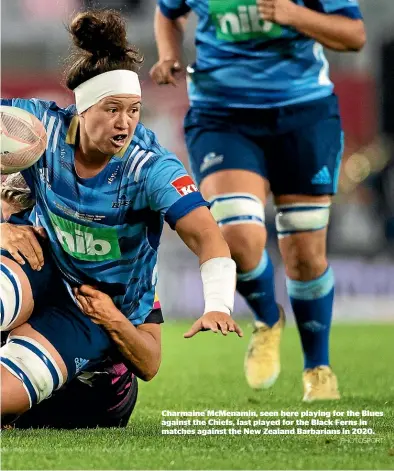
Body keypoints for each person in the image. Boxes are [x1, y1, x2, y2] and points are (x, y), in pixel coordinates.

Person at [0, 8, 243, 423]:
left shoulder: (150, 169)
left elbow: (206, 235)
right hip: (41, 263)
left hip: (90, 309)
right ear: (83, 108)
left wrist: (219, 302)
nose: (125, 122)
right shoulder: (40, 127)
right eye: (112, 109)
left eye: (134, 110)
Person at [150, 0, 366, 400]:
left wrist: (293, 14)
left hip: (304, 113)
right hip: (222, 115)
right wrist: (168, 55)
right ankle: (268, 319)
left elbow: (354, 35)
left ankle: (317, 367)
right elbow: (168, 11)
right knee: (238, 238)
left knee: (303, 254)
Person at [1, 176, 158, 429]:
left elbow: (150, 363)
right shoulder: (12, 233)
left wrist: (112, 318)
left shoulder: (121, 264)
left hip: (92, 401)